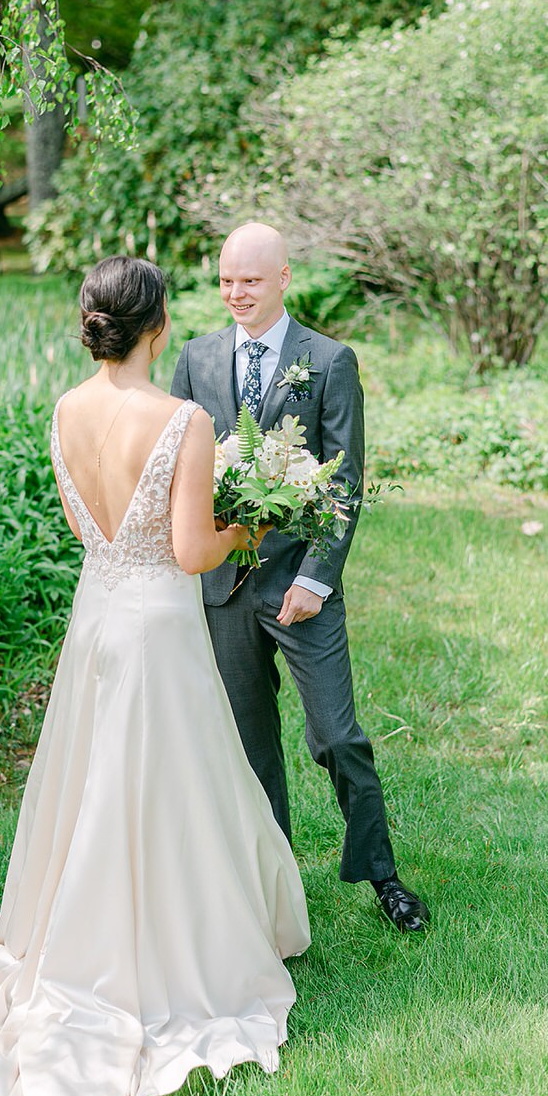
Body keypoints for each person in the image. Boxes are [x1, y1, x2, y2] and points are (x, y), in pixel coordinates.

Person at [0, 256, 310, 1096]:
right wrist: (251, 525)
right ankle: (177, 946)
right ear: (158, 325)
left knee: (95, 780)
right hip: (158, 623)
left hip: (97, 615)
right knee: (171, 780)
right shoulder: (184, 420)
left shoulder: (65, 410)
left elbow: (91, 524)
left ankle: (80, 926)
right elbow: (192, 551)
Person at [171, 222, 430, 933]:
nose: (235, 293)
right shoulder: (195, 359)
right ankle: (272, 895)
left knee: (336, 735)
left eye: (250, 280)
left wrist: (317, 577)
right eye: (225, 280)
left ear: (284, 278)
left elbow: (343, 481)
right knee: (249, 750)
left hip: (301, 586)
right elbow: (180, 475)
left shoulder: (329, 360)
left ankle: (383, 875)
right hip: (223, 586)